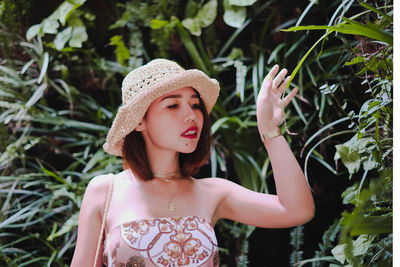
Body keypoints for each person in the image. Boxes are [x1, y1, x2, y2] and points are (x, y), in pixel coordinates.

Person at [70, 59, 315, 267]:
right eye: (173, 104)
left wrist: (271, 132)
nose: (191, 115)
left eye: (195, 104)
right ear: (139, 121)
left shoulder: (214, 192)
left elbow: (297, 210)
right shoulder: (105, 191)